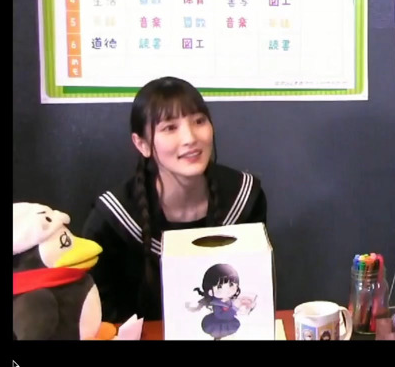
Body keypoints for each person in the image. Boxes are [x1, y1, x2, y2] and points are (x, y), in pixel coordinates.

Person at [81, 76, 268, 323]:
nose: (190, 138)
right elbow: (99, 316)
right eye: (170, 127)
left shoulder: (244, 197)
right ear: (142, 144)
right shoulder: (112, 219)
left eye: (199, 121)